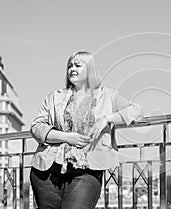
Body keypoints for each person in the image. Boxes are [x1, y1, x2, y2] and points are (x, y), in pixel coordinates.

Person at [30, 51, 143, 209]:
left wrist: (107, 118)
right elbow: (36, 127)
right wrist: (67, 137)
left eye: (78, 65)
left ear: (90, 70)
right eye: (70, 66)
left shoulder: (108, 96)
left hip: (87, 170)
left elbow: (136, 110)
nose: (72, 69)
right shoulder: (54, 97)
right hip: (47, 170)